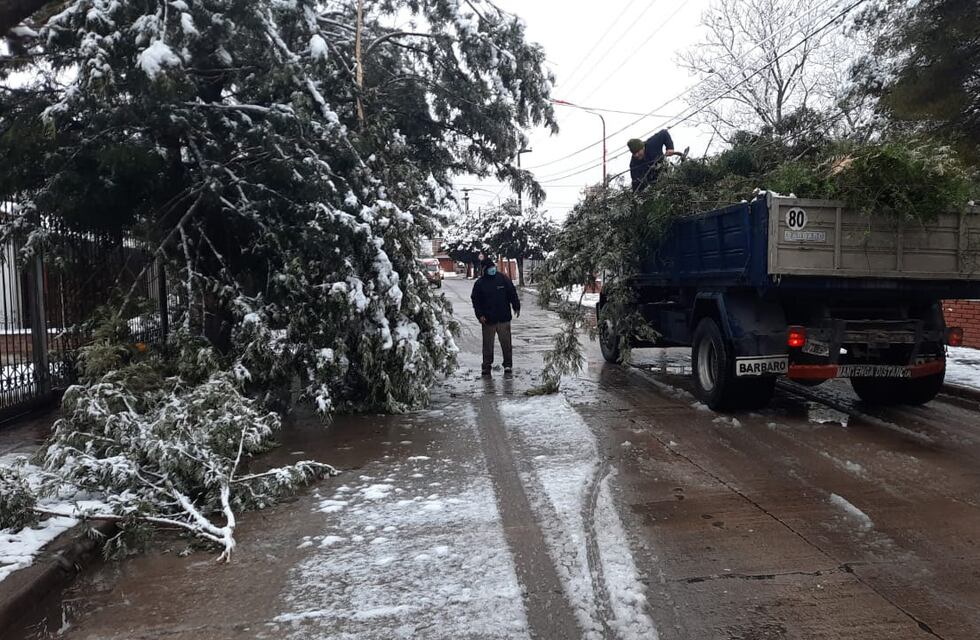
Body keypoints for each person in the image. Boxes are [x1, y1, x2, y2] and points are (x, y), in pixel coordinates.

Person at [471, 257, 521, 376]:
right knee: (488, 345)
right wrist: (480, 315)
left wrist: (516, 306)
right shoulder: (480, 284)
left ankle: (508, 364)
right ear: (484, 270)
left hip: (503, 317)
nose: (492, 270)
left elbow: (512, 293)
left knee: (506, 343)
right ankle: (486, 366)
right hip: (488, 320)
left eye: (493, 267)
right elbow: (475, 301)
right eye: (489, 268)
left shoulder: (503, 279)